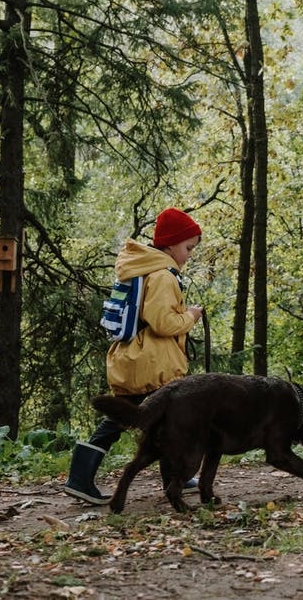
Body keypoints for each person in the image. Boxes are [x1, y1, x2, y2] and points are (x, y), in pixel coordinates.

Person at [63, 207, 204, 505]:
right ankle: (170, 478)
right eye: (188, 247)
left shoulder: (142, 269)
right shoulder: (163, 276)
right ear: (170, 244)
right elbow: (163, 323)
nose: (189, 254)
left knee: (137, 419)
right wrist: (190, 316)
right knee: (157, 418)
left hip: (133, 359)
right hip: (152, 364)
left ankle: (83, 476)